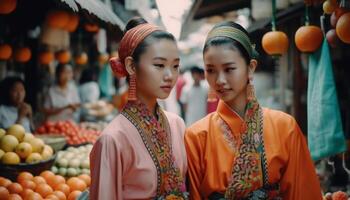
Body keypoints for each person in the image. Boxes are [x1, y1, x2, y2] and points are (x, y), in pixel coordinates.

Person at [184, 21, 322, 200]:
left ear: (250, 68)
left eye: (229, 69)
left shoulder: (285, 127)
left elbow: (303, 193)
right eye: (211, 70)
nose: (219, 80)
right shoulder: (196, 135)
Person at [89, 17, 188, 199]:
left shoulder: (177, 125)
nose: (170, 75)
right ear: (131, 66)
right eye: (159, 65)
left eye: (175, 66)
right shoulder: (112, 140)